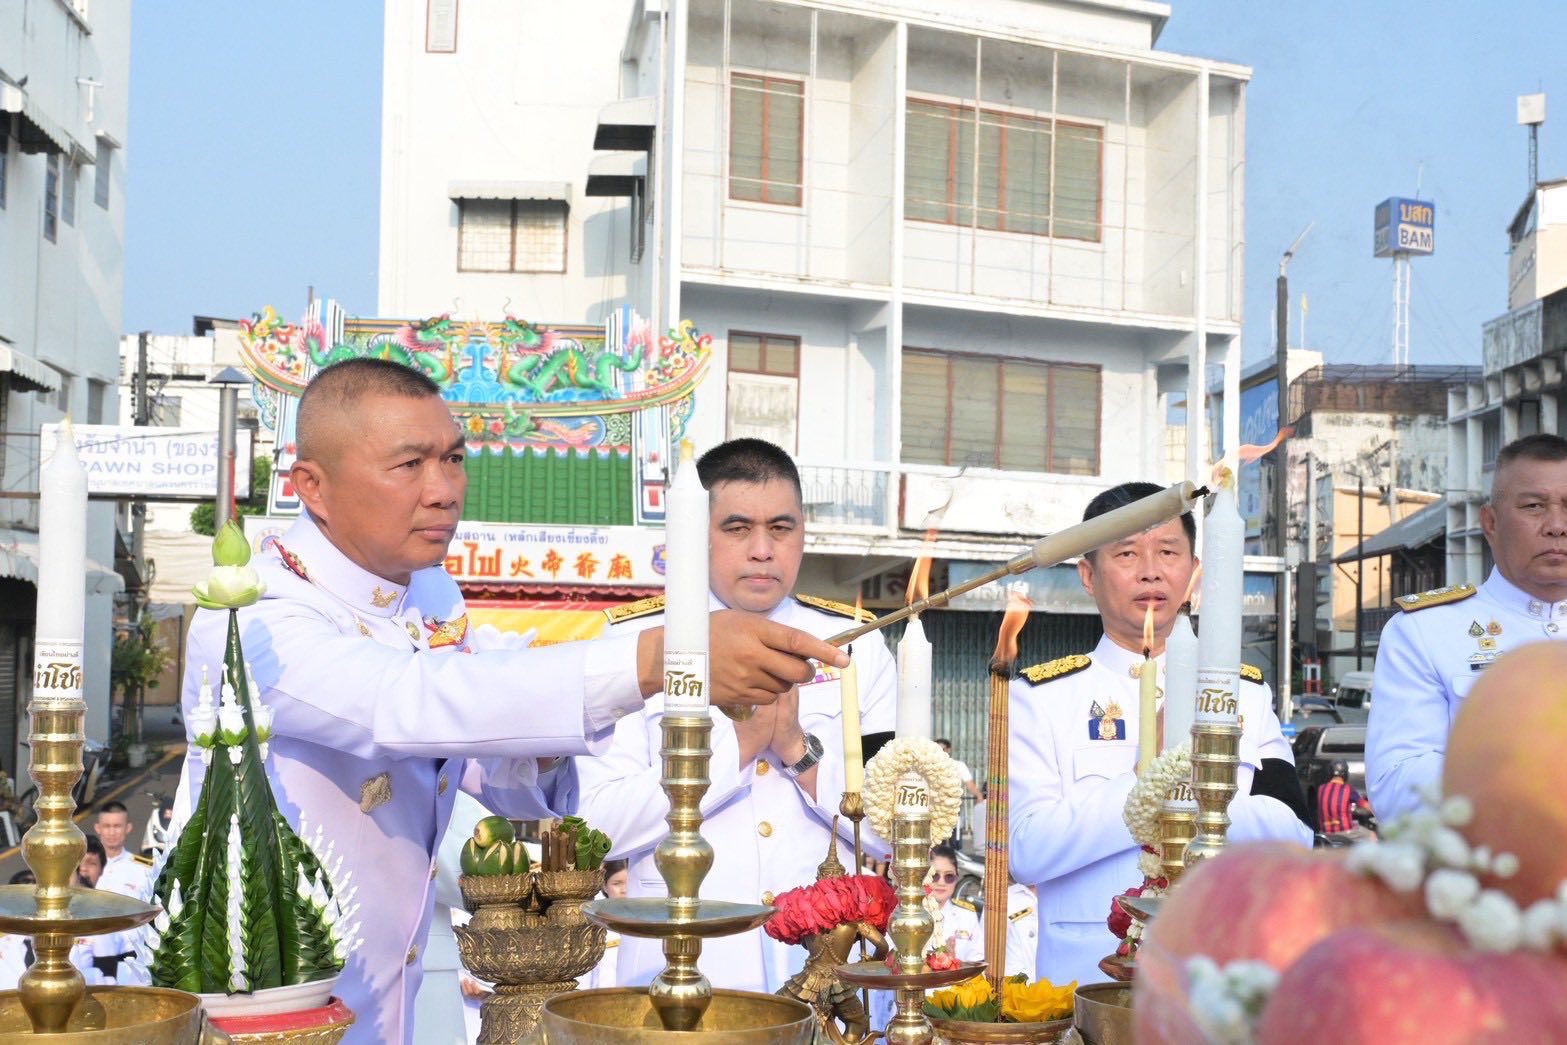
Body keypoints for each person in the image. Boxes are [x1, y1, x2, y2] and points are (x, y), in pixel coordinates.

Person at [170, 361, 847, 1043]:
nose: (443, 491)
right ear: (311, 485)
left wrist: (539, 752)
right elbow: (399, 705)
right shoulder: (249, 615)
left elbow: (486, 765)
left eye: (453, 459)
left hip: (393, 999)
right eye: (408, 464)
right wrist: (652, 661)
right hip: (262, 1007)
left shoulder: (428, 594)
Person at [574, 438, 897, 993]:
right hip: (681, 958)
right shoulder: (637, 645)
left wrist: (797, 751)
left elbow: (892, 832)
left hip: (827, 963)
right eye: (737, 528)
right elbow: (598, 828)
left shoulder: (855, 646)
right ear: (696, 534)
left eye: (781, 528)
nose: (762, 550)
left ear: (803, 533)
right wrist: (737, 749)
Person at [1008, 481, 1311, 987]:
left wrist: (1202, 797)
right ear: (1088, 575)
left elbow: (1295, 835)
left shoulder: (1244, 695)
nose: (1150, 570)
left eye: (1168, 552)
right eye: (1127, 553)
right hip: (1090, 981)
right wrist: (1148, 778)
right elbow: (1026, 851)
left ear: (1194, 570)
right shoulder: (1041, 698)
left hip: (1219, 973)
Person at [1368, 433, 1567, 822]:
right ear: (1490, 523)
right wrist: (1527, 777)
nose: (1557, 526)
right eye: (1534, 506)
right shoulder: (1426, 631)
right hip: (1493, 854)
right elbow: (1397, 786)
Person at [90, 800, 151, 978]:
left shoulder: (144, 868)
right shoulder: (84, 867)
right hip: (93, 952)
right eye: (106, 826)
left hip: (130, 954)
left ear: (128, 828)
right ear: (97, 828)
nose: (111, 832)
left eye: (117, 826)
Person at [576, 860, 629, 991]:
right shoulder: (593, 922)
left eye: (630, 883)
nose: (624, 890)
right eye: (617, 883)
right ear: (604, 886)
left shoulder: (650, 923)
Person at [936, 739, 983, 847]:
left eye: (942, 749)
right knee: (937, 841)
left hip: (953, 806)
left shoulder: (958, 765)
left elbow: (969, 784)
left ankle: (954, 853)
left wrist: (979, 796)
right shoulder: (929, 765)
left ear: (948, 750)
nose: (939, 752)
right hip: (934, 807)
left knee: (954, 838)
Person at [1316, 761, 1372, 839]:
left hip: (1324, 833)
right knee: (1372, 835)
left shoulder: (1321, 788)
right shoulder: (1348, 789)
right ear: (1345, 774)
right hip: (1345, 832)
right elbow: (1365, 805)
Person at [1004, 880, 1038, 981]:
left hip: (1057, 985)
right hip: (1013, 984)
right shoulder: (1004, 897)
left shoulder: (1064, 895)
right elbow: (986, 950)